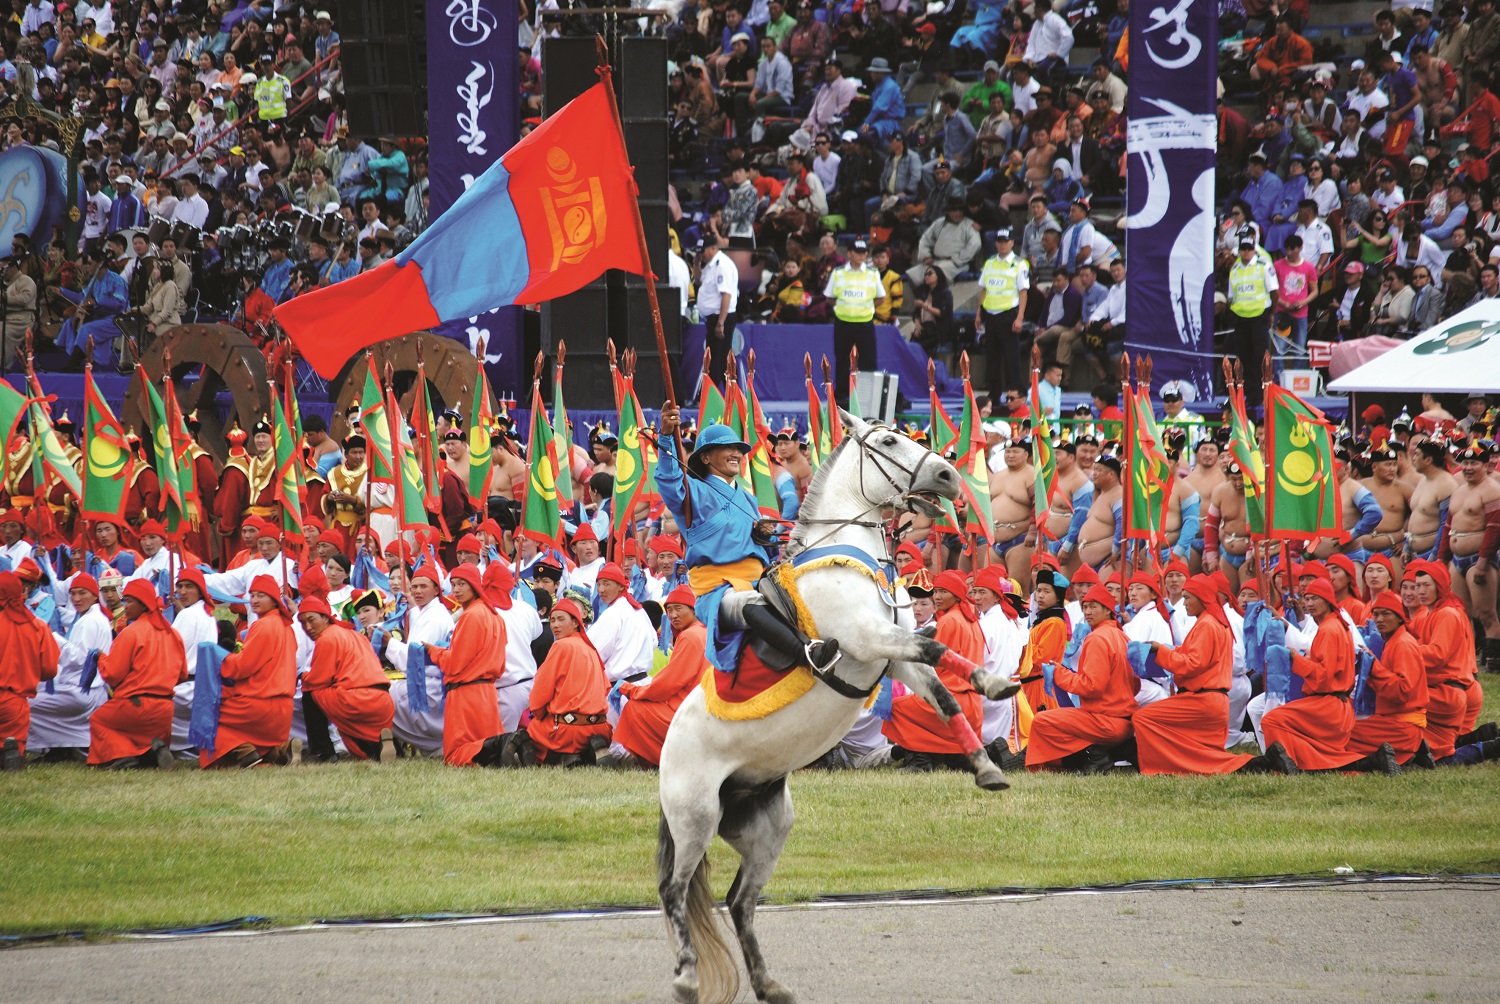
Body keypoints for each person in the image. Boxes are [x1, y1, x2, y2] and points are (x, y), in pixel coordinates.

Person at [656, 407, 838, 676]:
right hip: (717, 591)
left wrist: (762, 537)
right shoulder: (694, 491)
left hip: (757, 581)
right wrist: (667, 435)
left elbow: (753, 547)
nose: (736, 454)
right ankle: (807, 654)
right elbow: (670, 481)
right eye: (726, 448)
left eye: (738, 449)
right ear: (705, 457)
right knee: (753, 604)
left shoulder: (748, 499)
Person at [1133, 576, 1256, 775]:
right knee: (1208, 754)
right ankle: (1257, 764)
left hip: (1203, 700)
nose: (1185, 603)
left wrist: (1161, 652)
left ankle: (1165, 767)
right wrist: (1165, 649)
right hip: (1213, 699)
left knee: (1143, 717)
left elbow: (1193, 664)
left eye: (1188, 598)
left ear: (1202, 598)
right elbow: (1194, 654)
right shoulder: (1211, 621)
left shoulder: (1207, 624)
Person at [882, 571, 986, 772]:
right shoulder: (971, 620)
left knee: (897, 707)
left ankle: (920, 762)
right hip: (974, 703)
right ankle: (958, 760)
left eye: (943, 592)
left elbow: (932, 663)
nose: (937, 596)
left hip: (952, 699)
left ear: (956, 595)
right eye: (936, 591)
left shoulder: (948, 621)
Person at [1025, 583, 1135, 772]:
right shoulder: (1121, 636)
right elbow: (1135, 685)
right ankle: (1096, 756)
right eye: (1085, 606)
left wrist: (1059, 673)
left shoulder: (1097, 638)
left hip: (1105, 720)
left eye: (1094, 607)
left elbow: (1092, 687)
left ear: (1108, 611)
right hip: (1124, 722)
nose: (1088, 612)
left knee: (1042, 720)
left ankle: (1091, 757)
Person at [1260, 579, 1357, 771]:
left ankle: (1291, 765)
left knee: (1271, 720)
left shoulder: (1330, 629)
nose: (1310, 604)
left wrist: (1295, 658)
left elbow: (1322, 676)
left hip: (1329, 705)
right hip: (1337, 703)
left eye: (1315, 599)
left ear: (1328, 600)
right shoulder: (1335, 625)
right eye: (1307, 599)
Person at [89, 579, 186, 769]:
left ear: (144, 603)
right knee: (138, 729)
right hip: (165, 712)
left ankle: (125, 754)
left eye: (130, 601)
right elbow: (181, 675)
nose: (125, 606)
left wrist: (100, 658)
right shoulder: (173, 633)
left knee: (98, 720)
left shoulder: (131, 632)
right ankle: (151, 752)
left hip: (136, 707)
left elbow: (112, 674)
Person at [203, 575, 298, 768]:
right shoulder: (286, 626)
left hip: (260, 706)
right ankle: (274, 750)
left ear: (274, 600)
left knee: (209, 715)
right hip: (283, 712)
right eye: (252, 595)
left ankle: (245, 751)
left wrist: (219, 658)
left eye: (261, 596)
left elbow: (242, 667)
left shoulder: (263, 625)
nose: (254, 600)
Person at [609, 585, 705, 767]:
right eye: (669, 610)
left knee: (634, 708)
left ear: (693, 610)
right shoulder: (700, 631)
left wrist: (631, 689)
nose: (673, 615)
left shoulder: (690, 636)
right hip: (696, 708)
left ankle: (655, 761)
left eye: (679, 609)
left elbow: (668, 684)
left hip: (688, 713)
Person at [426, 564, 508, 767]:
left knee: (456, 755)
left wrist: (432, 651)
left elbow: (454, 664)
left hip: (466, 695)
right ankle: (506, 749)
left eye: (462, 584)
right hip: (486, 693)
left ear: (474, 586)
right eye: (453, 584)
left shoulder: (471, 615)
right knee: (489, 751)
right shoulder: (494, 615)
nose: (456, 590)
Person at [298, 598, 397, 762]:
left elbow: (316, 681)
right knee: (368, 754)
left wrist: (303, 676)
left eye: (311, 620)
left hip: (355, 701)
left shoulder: (326, 638)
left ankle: (324, 753)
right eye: (303, 623)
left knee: (310, 694)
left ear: (325, 618)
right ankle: (383, 747)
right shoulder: (356, 635)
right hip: (384, 702)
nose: (308, 627)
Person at [28, 573, 111, 759]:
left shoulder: (89, 621)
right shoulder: (92, 617)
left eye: (82, 593)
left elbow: (78, 659)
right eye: (73, 594)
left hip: (83, 691)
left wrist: (52, 637)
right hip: (91, 689)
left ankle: (57, 747)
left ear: (95, 595)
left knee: (24, 704)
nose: (76, 599)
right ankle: (62, 747)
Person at [1346, 590, 1431, 768]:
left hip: (1403, 727)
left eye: (1386, 614)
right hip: (1396, 722)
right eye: (1376, 614)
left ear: (1400, 617)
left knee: (1342, 734)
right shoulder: (1393, 640)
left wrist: (1373, 666)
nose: (1379, 619)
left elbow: (1402, 691)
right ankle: (1408, 754)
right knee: (1345, 729)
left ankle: (1399, 754)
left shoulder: (1403, 644)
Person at [522, 597, 612, 765]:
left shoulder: (560, 646)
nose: (555, 625)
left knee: (534, 729)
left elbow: (539, 695)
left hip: (567, 730)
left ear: (576, 622)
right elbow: (606, 688)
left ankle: (565, 754)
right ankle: (581, 753)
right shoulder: (591, 649)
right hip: (600, 728)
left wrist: (540, 714)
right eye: (552, 620)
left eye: (561, 619)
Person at [0, 571, 60, 770]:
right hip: (15, 703)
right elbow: (50, 670)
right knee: (14, 744)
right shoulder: (38, 626)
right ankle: (12, 751)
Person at [824, 238, 884, 404]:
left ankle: (868, 398)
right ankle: (842, 396)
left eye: (864, 252)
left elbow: (881, 297)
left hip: (865, 321)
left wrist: (865, 308)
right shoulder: (838, 273)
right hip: (843, 321)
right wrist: (846, 306)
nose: (861, 255)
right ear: (849, 253)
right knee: (842, 359)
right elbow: (829, 297)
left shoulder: (873, 274)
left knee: (868, 360)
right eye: (858, 252)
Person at [977, 228, 1029, 399]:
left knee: (1011, 356)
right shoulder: (990, 262)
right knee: (992, 356)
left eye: (1005, 241)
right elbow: (983, 289)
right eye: (999, 241)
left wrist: (1020, 317)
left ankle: (1015, 392)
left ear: (1012, 243)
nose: (1002, 244)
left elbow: (1023, 292)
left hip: (1008, 314)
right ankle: (994, 394)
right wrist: (979, 313)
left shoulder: (1019, 264)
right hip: (990, 314)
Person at [1225, 236, 1276, 398]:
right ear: (1239, 250)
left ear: (1254, 249)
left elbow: (1274, 291)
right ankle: (1247, 392)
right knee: (1244, 357)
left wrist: (1272, 313)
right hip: (1240, 317)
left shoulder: (1264, 266)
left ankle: (1261, 393)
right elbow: (1231, 296)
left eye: (1249, 248)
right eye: (1243, 248)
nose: (1246, 252)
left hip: (1259, 315)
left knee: (1259, 356)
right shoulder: (1234, 270)